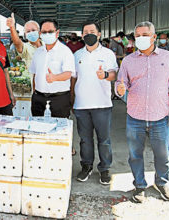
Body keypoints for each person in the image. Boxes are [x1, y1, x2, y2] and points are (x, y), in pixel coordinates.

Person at [115, 21, 169, 203]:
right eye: (138, 36)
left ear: (154, 37)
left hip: (160, 116)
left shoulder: (168, 57)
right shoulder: (128, 61)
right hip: (134, 116)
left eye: (145, 35)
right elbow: (120, 84)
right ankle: (139, 185)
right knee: (135, 154)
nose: (141, 39)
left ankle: (161, 182)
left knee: (162, 154)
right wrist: (120, 89)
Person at [71, 22, 118, 185]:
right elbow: (74, 78)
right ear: (82, 35)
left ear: (99, 34)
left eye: (92, 31)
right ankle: (86, 166)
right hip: (81, 105)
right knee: (85, 139)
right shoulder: (77, 55)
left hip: (102, 104)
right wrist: (71, 99)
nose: (88, 34)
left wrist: (105, 74)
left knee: (104, 140)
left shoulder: (108, 54)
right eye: (85, 32)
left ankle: (104, 169)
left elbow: (114, 74)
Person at [30, 19, 75, 118]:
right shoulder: (38, 52)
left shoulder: (65, 52)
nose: (47, 34)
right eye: (44, 32)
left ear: (57, 32)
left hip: (59, 99)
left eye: (50, 32)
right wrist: (35, 93)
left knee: (59, 130)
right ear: (40, 33)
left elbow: (68, 74)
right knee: (38, 127)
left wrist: (55, 78)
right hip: (38, 98)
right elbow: (34, 74)